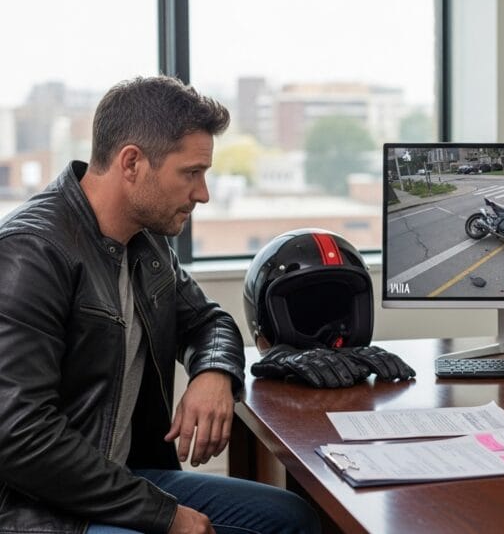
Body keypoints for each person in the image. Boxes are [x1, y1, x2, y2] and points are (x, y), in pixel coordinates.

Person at [0, 76, 322, 533]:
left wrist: (212, 373)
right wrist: (163, 515)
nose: (203, 193)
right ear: (132, 162)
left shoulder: (146, 241)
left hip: (119, 479)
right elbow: (18, 437)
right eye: (191, 173)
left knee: (291, 518)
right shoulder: (31, 251)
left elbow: (208, 321)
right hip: (43, 509)